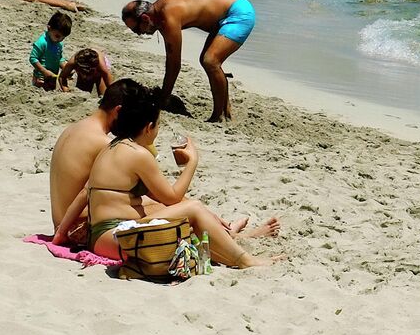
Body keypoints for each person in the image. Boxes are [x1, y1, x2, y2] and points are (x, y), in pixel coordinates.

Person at [51, 79, 280, 269]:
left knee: (176, 214)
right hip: (102, 234)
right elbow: (169, 197)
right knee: (190, 208)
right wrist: (192, 162)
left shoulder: (102, 144)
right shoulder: (125, 150)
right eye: (157, 127)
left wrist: (59, 234)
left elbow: (86, 191)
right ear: (148, 126)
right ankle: (243, 257)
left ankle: (228, 237)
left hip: (95, 233)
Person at [122, 0, 257, 123]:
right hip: (230, 11)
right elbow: (172, 63)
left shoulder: (168, 17)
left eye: (136, 29)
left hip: (239, 14)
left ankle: (219, 116)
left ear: (145, 18)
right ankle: (225, 108)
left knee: (210, 61)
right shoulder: (160, 13)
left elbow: (174, 65)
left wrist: (163, 100)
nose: (139, 34)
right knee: (209, 61)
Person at [48, 78, 131, 237]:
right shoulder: (103, 142)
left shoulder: (73, 129)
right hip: (78, 229)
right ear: (118, 111)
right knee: (159, 208)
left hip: (61, 222)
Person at [31, 12, 73, 91]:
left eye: (63, 38)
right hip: (40, 77)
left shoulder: (58, 44)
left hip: (53, 76)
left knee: (51, 90)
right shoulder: (42, 42)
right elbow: (33, 58)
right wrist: (44, 71)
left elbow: (59, 58)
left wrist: (66, 68)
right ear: (49, 28)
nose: (59, 40)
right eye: (57, 36)